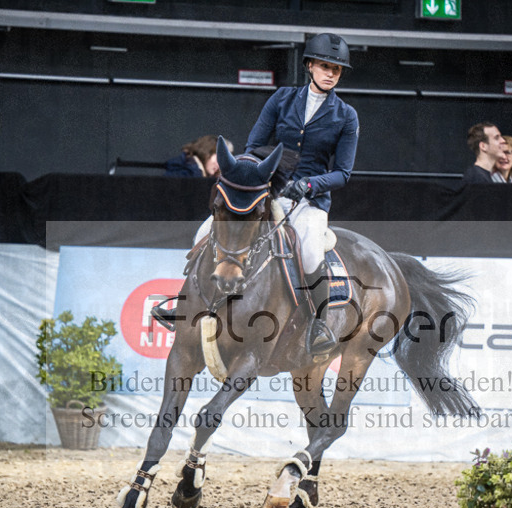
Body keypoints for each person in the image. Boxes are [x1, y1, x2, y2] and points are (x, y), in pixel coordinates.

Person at [154, 33, 359, 357]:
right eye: (324, 65)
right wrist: (257, 178)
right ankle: (183, 304)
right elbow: (253, 148)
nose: (331, 72)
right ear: (309, 65)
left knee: (308, 250)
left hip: (309, 202)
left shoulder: (346, 116)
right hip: (268, 192)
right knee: (207, 230)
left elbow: (343, 172)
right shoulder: (282, 99)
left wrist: (308, 185)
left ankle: (318, 325)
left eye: (337, 68)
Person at [163, 135, 228, 177]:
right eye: (218, 159)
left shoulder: (191, 170)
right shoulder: (188, 174)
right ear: (206, 153)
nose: (219, 165)